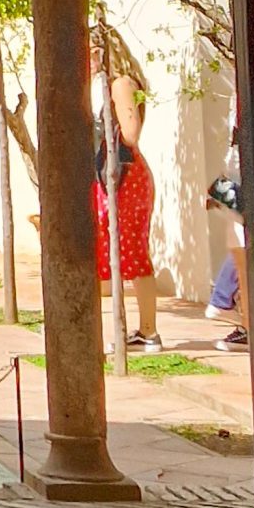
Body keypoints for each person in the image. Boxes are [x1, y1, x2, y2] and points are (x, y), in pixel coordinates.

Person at [94, 123, 160, 349]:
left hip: (124, 178)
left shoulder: (121, 85)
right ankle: (146, 331)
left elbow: (130, 135)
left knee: (134, 253)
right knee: (120, 251)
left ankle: (149, 332)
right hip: (119, 175)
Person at [206, 144, 248, 348]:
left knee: (241, 251)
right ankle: (224, 300)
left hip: (239, 176)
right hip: (238, 176)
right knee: (241, 252)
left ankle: (222, 299)